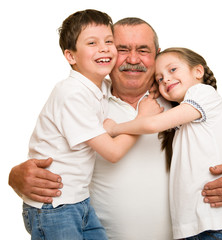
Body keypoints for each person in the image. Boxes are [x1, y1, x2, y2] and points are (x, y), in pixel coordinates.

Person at [9, 18, 222, 240]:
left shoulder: (179, 102)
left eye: (143, 50)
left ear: (157, 55)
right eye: (122, 49)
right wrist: (15, 178)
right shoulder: (86, 99)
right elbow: (51, 148)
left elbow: (213, 144)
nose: (133, 59)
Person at [20, 10, 162, 240]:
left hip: (78, 203)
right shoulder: (74, 94)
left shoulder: (100, 90)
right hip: (58, 205)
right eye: (123, 48)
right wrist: (141, 122)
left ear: (157, 54)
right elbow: (112, 152)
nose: (105, 48)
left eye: (108, 42)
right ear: (71, 56)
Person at [104, 47, 222, 239]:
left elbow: (153, 123)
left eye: (172, 70)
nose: (166, 80)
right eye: (160, 79)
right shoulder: (184, 114)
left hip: (216, 225)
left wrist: (114, 128)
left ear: (198, 72)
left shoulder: (203, 94)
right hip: (193, 228)